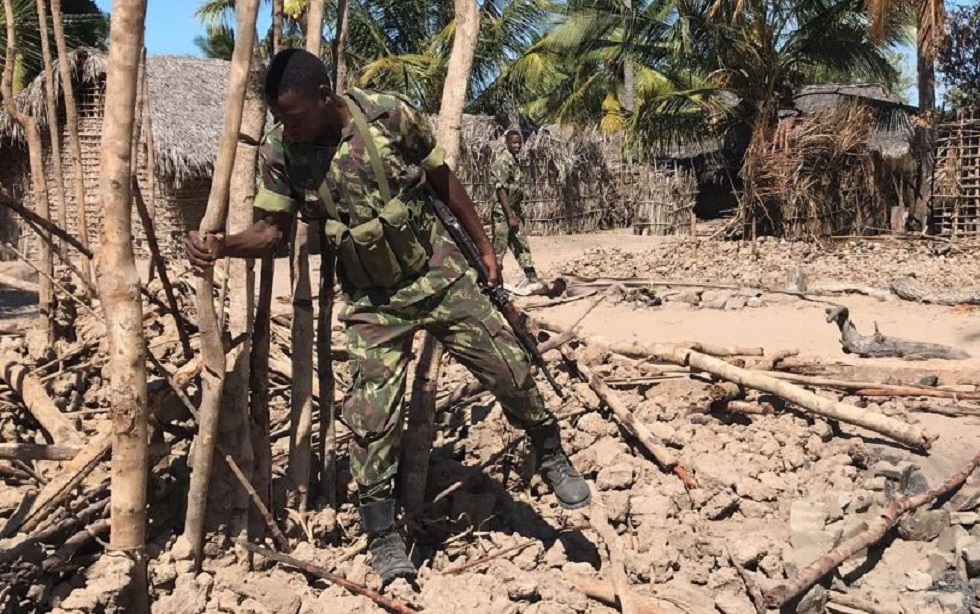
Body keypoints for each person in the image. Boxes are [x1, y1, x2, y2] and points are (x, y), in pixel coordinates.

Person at [185, 48, 590, 585]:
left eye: (297, 115)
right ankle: (382, 536)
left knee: (509, 368)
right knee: (372, 422)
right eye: (281, 119)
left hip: (437, 271)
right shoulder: (282, 150)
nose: (289, 127)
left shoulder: (388, 114)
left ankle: (549, 449)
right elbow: (273, 233)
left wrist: (485, 247)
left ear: (326, 97)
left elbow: (442, 177)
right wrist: (225, 245)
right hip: (374, 303)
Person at [491, 130, 541, 288]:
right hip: (502, 214)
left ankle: (532, 278)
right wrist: (510, 216)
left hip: (513, 212)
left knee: (521, 243)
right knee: (499, 249)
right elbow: (501, 190)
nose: (517, 145)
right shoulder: (502, 162)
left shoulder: (514, 161)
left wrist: (514, 214)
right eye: (514, 142)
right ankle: (493, 282)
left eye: (519, 142)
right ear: (506, 143)